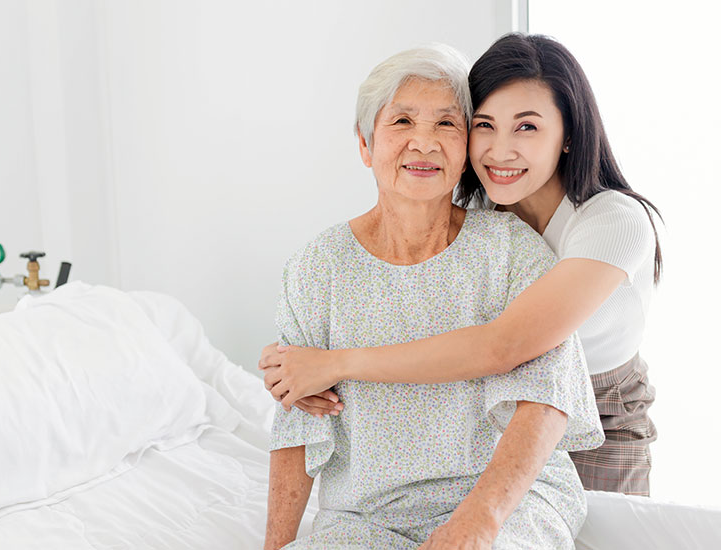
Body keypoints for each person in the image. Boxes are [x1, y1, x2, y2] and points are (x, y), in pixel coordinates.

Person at [260, 33, 661, 497]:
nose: (499, 150)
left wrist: (336, 363)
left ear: (569, 135)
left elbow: (504, 345)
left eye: (527, 128)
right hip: (502, 409)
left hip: (603, 409)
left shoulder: (614, 221)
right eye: (486, 125)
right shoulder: (484, 222)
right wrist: (292, 360)